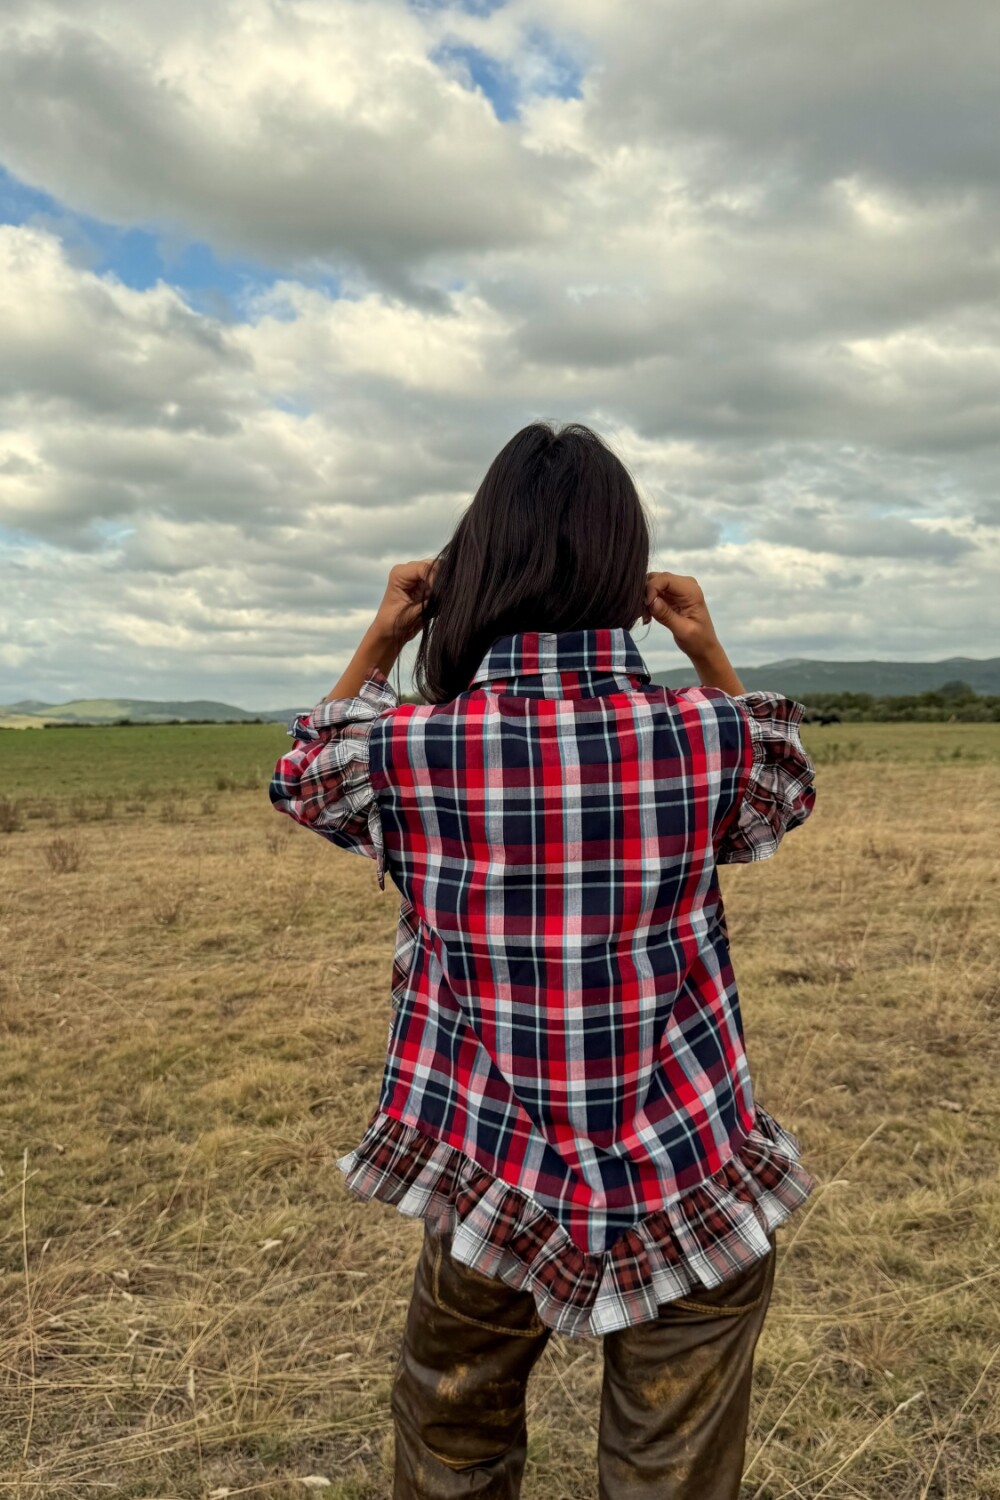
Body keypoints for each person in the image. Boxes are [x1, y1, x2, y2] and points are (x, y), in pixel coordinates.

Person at [269, 422, 817, 1500]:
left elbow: (304, 776)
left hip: (493, 1179)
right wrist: (707, 653)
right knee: (673, 1470)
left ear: (472, 567)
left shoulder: (409, 748)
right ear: (628, 573)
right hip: (690, 1167)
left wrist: (383, 636)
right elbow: (779, 792)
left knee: (451, 1435)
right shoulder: (707, 735)